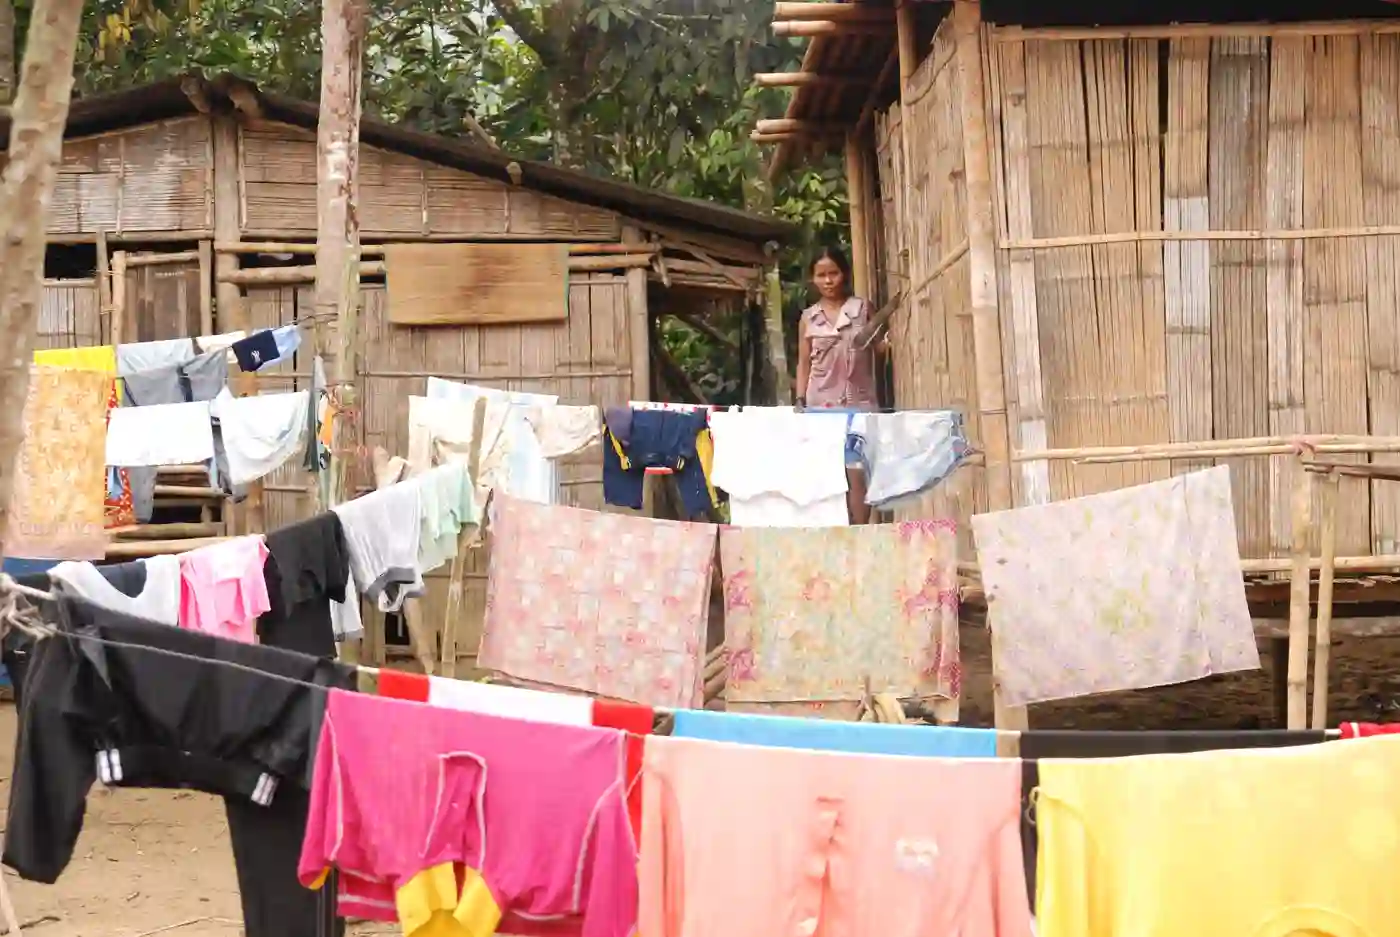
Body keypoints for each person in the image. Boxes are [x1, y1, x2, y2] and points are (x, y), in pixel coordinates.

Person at [795, 246, 887, 525]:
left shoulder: (862, 309)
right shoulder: (808, 318)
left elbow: (879, 349)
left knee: (858, 472)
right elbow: (803, 363)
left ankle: (859, 533)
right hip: (821, 405)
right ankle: (835, 534)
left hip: (860, 403)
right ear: (812, 278)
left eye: (833, 273)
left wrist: (887, 347)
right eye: (821, 275)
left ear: (844, 274)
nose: (828, 281)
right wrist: (799, 400)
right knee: (828, 475)